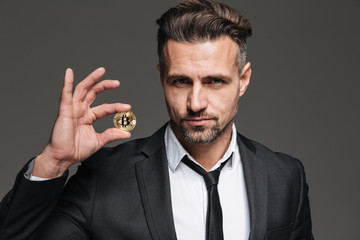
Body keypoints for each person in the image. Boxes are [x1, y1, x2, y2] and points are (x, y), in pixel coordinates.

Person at [0, 0, 314, 239]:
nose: (195, 103)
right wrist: (53, 163)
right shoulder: (104, 175)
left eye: (215, 81)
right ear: (162, 78)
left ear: (243, 80)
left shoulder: (285, 178)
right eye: (181, 82)